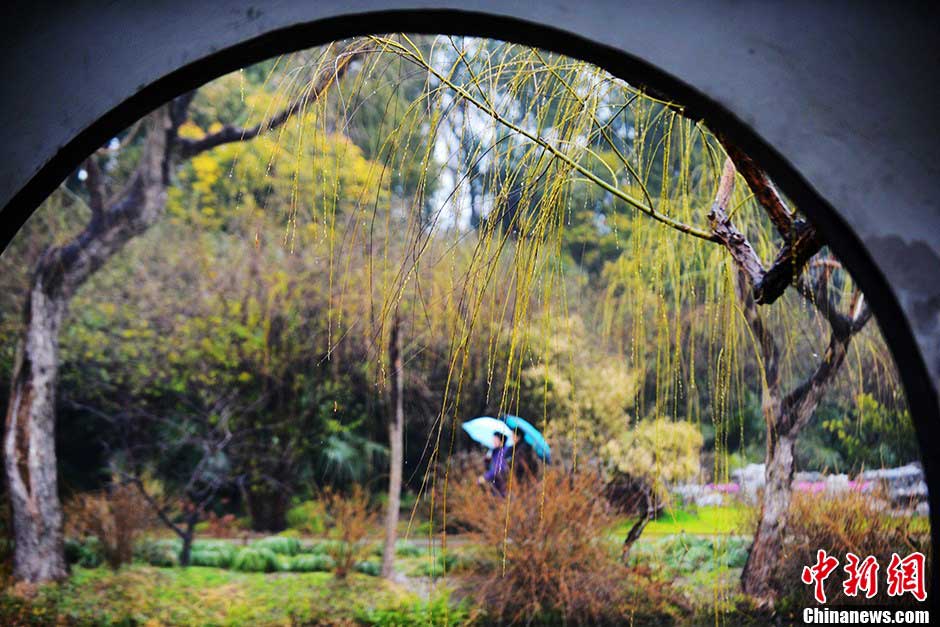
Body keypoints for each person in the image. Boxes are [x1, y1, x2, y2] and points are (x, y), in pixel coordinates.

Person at [478, 431, 509, 497]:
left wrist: (485, 477)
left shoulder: (504, 451)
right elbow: (489, 468)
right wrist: (487, 461)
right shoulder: (495, 451)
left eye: (495, 439)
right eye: (493, 439)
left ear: (501, 440)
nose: (493, 441)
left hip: (502, 487)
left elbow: (498, 469)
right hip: (495, 485)